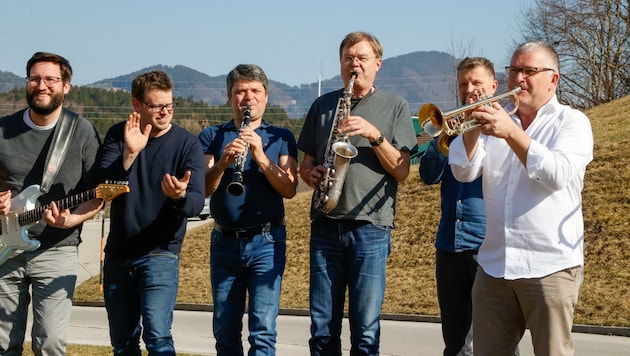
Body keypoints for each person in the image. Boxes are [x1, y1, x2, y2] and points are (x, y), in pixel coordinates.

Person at [449, 41, 593, 355]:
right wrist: (474, 123)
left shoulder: (572, 122)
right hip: (495, 265)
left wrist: (511, 134)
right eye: (514, 70)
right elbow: (463, 170)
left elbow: (555, 174)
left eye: (529, 71)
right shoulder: (500, 119)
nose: (518, 79)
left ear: (553, 79)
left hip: (550, 265)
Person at [298, 31, 418, 355]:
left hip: (371, 228)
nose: (355, 64)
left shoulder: (396, 106)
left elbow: (403, 170)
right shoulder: (323, 105)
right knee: (322, 330)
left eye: (362, 58)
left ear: (377, 63)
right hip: (325, 222)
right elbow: (305, 163)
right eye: (348, 58)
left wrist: (374, 134)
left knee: (365, 332)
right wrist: (309, 174)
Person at [0, 52, 103, 354]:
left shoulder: (82, 132)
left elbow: (97, 194)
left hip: (58, 249)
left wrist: (71, 220)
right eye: (35, 78)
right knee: (4, 343)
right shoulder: (3, 130)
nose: (41, 85)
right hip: (5, 248)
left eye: (50, 79)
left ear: (66, 86)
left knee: (51, 343)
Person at [97, 70, 206, 355]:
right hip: (119, 253)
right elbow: (101, 188)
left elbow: (195, 203)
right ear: (137, 105)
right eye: (157, 106)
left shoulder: (187, 144)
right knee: (122, 342)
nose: (165, 112)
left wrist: (180, 196)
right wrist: (130, 155)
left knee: (157, 336)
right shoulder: (118, 136)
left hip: (160, 253)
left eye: (169, 105)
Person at [198, 64, 298, 355]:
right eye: (240, 92)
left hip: (266, 241)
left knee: (263, 331)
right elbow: (202, 189)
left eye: (255, 91)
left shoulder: (281, 136)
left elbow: (289, 189)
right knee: (225, 330)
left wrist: (260, 156)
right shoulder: (211, 136)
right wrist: (223, 164)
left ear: (266, 97)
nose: (248, 98)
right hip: (224, 241)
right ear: (230, 97)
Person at [419, 57, 497, 356]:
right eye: (464, 84)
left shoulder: (504, 130)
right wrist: (447, 137)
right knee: (455, 342)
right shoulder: (450, 129)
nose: (470, 90)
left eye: (477, 83)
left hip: (487, 244)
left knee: (497, 337)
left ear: (493, 86)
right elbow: (428, 175)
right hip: (449, 243)